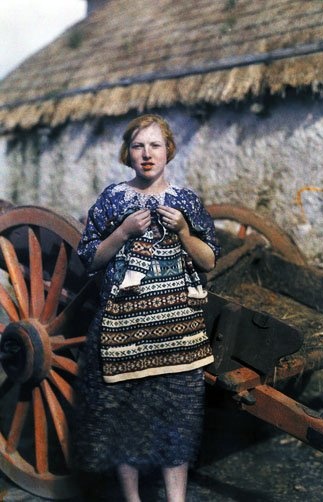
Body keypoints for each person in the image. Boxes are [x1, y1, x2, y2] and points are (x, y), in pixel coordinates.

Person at [74, 114, 219, 502]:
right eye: (139, 146)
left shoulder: (185, 201)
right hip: (125, 331)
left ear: (168, 150)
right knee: (126, 423)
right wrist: (122, 232)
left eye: (155, 145)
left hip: (178, 335)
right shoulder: (112, 198)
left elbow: (208, 261)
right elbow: (89, 260)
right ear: (128, 153)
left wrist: (185, 232)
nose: (147, 154)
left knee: (178, 422)